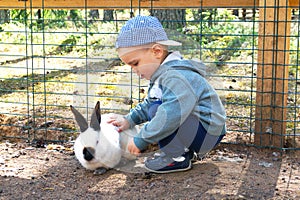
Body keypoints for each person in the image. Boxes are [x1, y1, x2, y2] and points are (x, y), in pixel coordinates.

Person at [109, 15, 226, 173]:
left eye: (135, 63)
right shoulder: (162, 75)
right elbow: (150, 102)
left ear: (157, 51)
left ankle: (176, 157)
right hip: (198, 128)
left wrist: (142, 138)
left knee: (159, 111)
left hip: (207, 133)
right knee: (155, 107)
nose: (134, 70)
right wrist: (129, 120)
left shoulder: (175, 77)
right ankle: (182, 152)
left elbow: (171, 114)